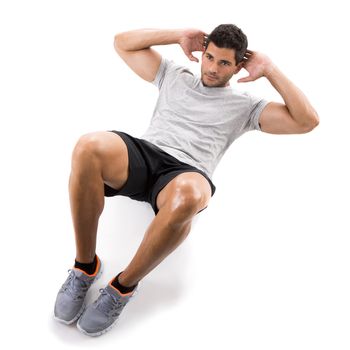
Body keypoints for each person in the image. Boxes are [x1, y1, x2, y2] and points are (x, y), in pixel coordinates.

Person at [53, 24, 319, 337]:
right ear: (202, 54)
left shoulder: (246, 106)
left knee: (188, 197)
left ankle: (121, 287)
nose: (212, 68)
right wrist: (177, 35)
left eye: (223, 63)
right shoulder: (175, 76)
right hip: (146, 154)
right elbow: (122, 43)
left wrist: (271, 69)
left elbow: (307, 121)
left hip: (185, 174)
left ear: (238, 67)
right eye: (209, 57)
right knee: (88, 146)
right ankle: (85, 267)